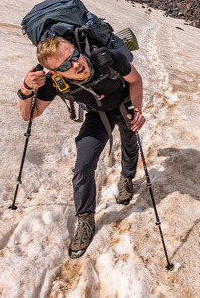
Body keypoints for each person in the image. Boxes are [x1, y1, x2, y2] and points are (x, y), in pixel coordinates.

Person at [17, 35, 146, 258]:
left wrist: (137, 109)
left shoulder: (107, 58)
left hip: (125, 104)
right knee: (83, 166)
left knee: (130, 143)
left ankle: (127, 177)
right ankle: (85, 219)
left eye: (74, 55)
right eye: (66, 64)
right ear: (55, 73)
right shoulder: (54, 83)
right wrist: (26, 88)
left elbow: (135, 80)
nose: (77, 63)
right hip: (97, 115)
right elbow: (29, 113)